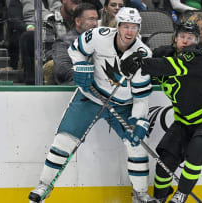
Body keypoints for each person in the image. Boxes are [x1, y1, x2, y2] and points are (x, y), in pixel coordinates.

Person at [28, 7, 157, 203]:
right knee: (64, 140)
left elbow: (140, 96)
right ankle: (44, 186)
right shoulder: (98, 36)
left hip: (122, 105)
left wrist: (139, 121)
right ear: (118, 26)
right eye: (126, 26)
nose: (130, 31)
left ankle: (140, 194)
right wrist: (80, 66)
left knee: (137, 145)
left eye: (134, 27)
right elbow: (74, 50)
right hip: (91, 97)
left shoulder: (143, 54)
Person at [121, 20, 202, 203]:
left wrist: (142, 64)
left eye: (190, 38)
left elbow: (169, 67)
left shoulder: (196, 58)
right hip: (184, 121)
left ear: (197, 41)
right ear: (175, 38)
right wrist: (132, 61)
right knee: (165, 161)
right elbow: (147, 58)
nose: (185, 41)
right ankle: (160, 199)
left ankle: (180, 197)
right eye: (182, 36)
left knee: (197, 149)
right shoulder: (164, 53)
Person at [52, 3, 100, 85]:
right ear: (78, 21)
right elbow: (62, 71)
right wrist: (90, 76)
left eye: (96, 19)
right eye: (91, 19)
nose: (95, 24)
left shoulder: (101, 40)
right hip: (74, 88)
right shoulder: (63, 42)